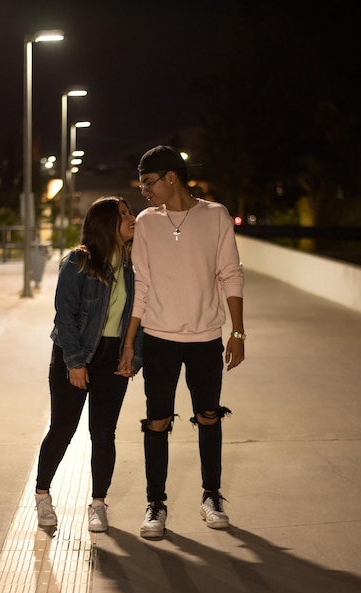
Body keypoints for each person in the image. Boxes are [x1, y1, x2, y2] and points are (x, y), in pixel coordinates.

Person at [117, 145, 245, 539]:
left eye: (148, 183)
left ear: (171, 177)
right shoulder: (147, 222)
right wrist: (129, 341)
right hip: (159, 338)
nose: (144, 191)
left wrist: (238, 331)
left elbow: (230, 273)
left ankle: (212, 496)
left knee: (209, 415)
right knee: (157, 421)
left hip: (206, 337)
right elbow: (141, 286)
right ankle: (155, 504)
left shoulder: (216, 215)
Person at [35, 195, 141, 533]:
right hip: (76, 352)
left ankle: (98, 503)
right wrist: (76, 362)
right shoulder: (78, 262)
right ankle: (42, 495)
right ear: (107, 222)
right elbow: (65, 317)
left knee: (104, 433)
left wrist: (133, 355)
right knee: (63, 429)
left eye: (130, 212)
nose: (132, 217)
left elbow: (142, 316)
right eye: (124, 214)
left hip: (113, 358)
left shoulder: (133, 265)